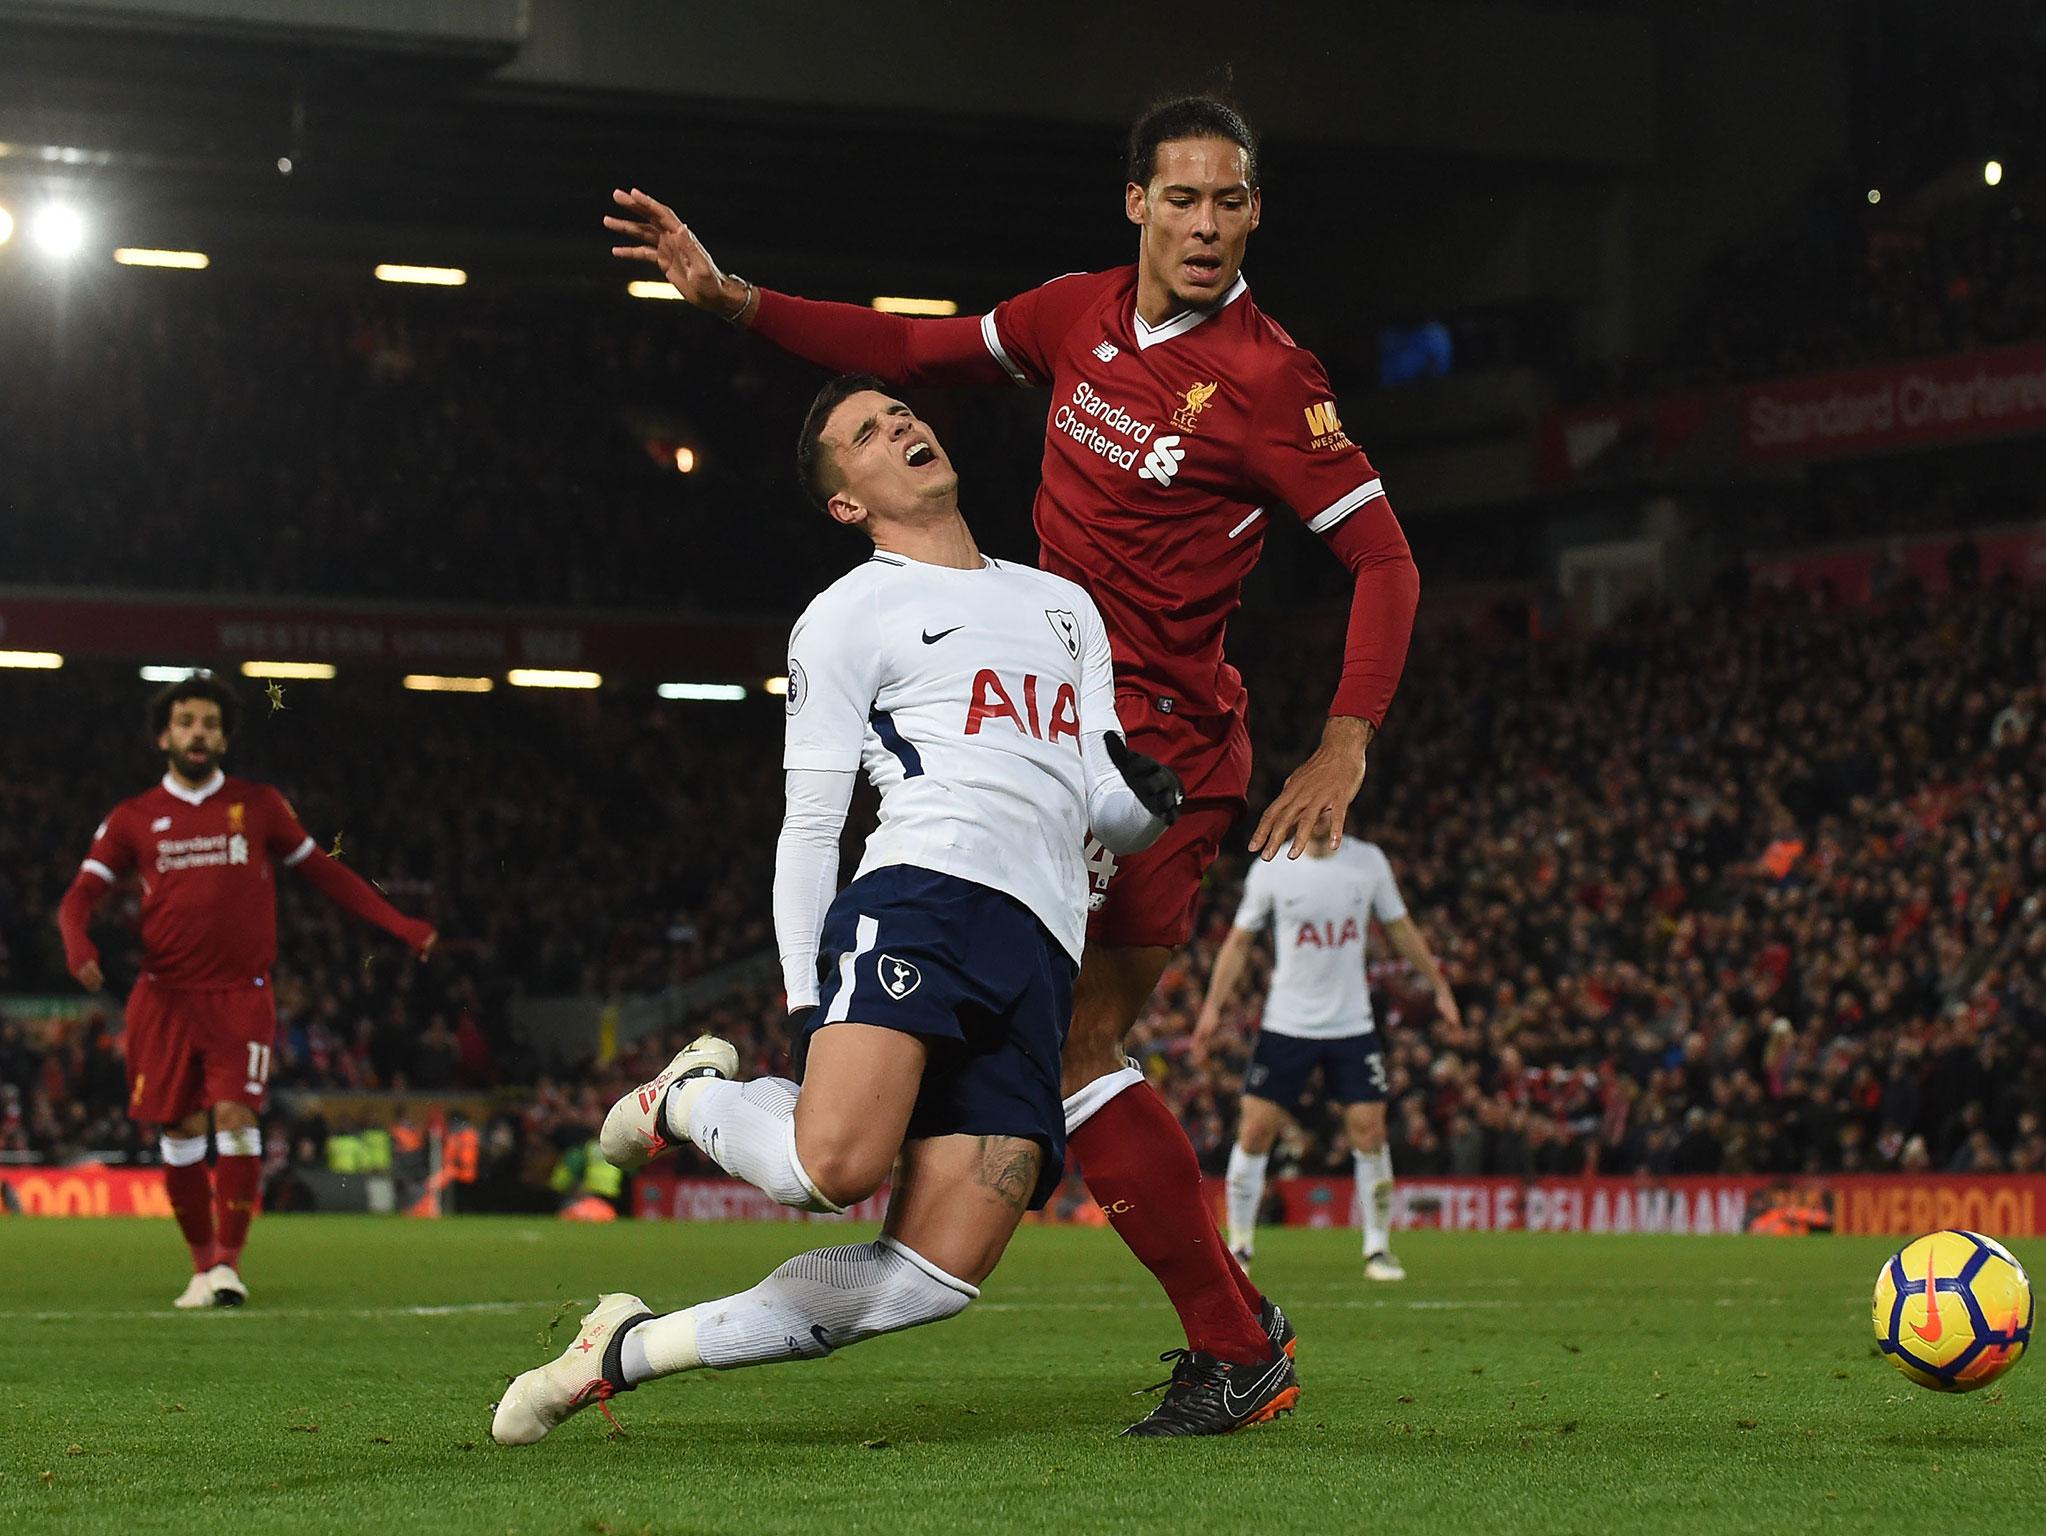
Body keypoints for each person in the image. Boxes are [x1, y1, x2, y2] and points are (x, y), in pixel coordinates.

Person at [605, 95, 1418, 1428]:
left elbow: (1382, 558)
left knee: (1080, 1044)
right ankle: (1218, 1335)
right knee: (1056, 1054)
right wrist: (732, 298)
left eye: (1231, 201)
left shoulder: (1274, 381)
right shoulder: (1070, 316)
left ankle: (1227, 1339)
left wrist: (1344, 740)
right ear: (1137, 204)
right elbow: (910, 349)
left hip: (1156, 754)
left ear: (1254, 211)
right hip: (1028, 722)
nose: (1206, 224)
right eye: (1183, 199)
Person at [493, 377, 1283, 1445]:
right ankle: (687, 1102)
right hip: (923, 901)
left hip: (1043, 948)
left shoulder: (1063, 607)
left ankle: (622, 1351)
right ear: (846, 505)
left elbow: (1102, 799)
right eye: (864, 434)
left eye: (902, 413)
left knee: (934, 1276)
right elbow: (810, 830)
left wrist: (1143, 806)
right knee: (832, 1170)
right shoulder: (848, 613)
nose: (901, 427)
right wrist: (809, 1006)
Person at [57, 672, 437, 1308]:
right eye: (185, 722)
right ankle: (201, 1266)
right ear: (163, 735)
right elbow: (80, 896)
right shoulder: (134, 817)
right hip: (165, 998)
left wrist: (399, 924)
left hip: (240, 996)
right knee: (178, 1129)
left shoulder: (258, 806)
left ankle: (228, 1265)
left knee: (235, 1119)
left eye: (209, 723)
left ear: (225, 736)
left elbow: (324, 872)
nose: (197, 733)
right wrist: (79, 946)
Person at [1190, 832, 1455, 1281]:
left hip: (1351, 1024)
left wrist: (1439, 984)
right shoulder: (1273, 865)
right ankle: (1239, 1248)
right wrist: (1213, 1008)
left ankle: (1377, 1249)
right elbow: (1238, 942)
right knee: (1255, 1130)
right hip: (1287, 1023)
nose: (1325, 809)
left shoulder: (1368, 861)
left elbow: (1400, 927)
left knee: (1369, 1130)